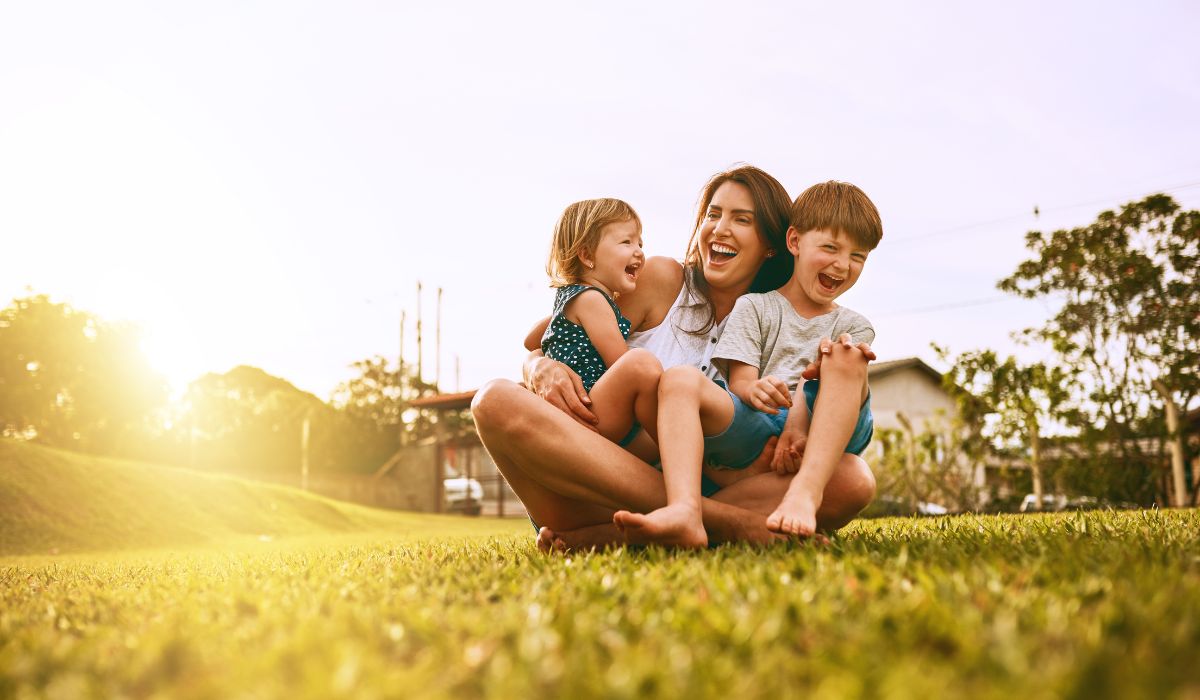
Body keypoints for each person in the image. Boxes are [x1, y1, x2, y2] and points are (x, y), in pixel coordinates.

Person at [471, 165, 878, 551]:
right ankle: (725, 523)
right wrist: (540, 367)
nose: (719, 228)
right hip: (590, 483)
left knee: (852, 479)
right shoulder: (661, 279)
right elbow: (562, 328)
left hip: (713, 487)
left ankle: (630, 531)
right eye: (713, 214)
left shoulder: (781, 320)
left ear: (773, 245)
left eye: (741, 219)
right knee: (493, 400)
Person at [612, 181, 882, 548]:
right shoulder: (754, 306)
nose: (841, 264)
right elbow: (740, 381)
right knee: (679, 379)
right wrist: (753, 389)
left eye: (857, 257)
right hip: (762, 422)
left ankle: (804, 493)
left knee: (844, 357)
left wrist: (799, 426)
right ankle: (684, 510)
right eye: (831, 248)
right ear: (794, 242)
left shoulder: (853, 325)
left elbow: (823, 384)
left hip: (827, 426)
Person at [537, 197, 661, 463]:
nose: (639, 251)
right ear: (587, 255)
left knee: (666, 447)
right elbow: (621, 363)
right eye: (626, 242)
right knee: (642, 365)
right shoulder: (593, 300)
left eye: (640, 243)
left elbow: (530, 340)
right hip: (591, 411)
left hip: (582, 413)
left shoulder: (569, 297)